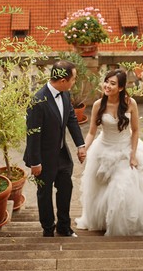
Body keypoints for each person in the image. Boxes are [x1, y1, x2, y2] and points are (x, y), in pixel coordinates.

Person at [76, 68, 143, 236]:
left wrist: (133, 155)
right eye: (106, 81)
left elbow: (135, 130)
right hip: (103, 149)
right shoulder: (99, 104)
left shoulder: (130, 103)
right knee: (100, 190)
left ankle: (122, 226)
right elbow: (91, 132)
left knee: (121, 188)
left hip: (125, 150)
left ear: (120, 88)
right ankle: (103, 221)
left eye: (112, 83)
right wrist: (84, 148)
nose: (107, 86)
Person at [23, 60, 87, 237]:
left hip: (62, 155)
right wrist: (35, 162)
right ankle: (48, 228)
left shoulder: (65, 94)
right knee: (44, 194)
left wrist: (80, 145)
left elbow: (71, 119)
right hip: (42, 159)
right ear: (63, 80)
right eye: (73, 79)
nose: (74, 82)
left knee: (66, 188)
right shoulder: (38, 101)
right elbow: (32, 134)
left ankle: (64, 227)